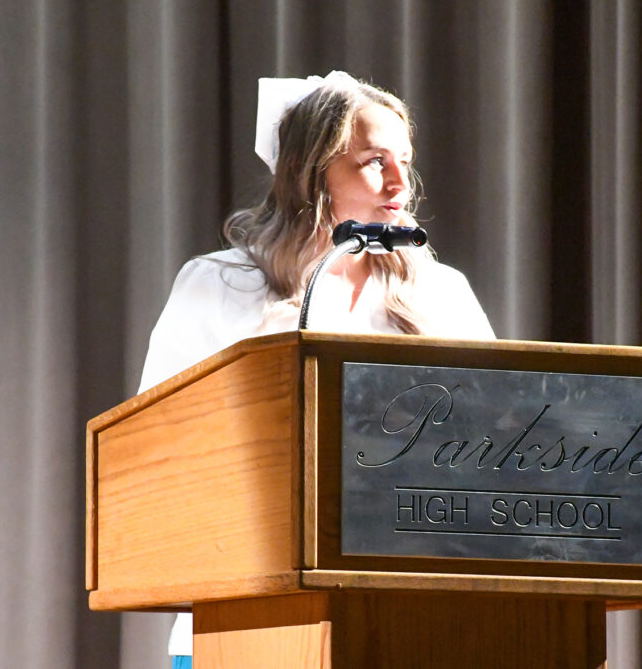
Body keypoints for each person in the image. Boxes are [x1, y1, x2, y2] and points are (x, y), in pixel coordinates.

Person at [136, 71, 495, 668]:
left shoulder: (442, 292)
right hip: (245, 612)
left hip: (414, 612)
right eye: (374, 161)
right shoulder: (221, 285)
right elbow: (155, 446)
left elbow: (499, 442)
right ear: (309, 167)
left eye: (404, 161)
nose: (401, 183)